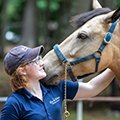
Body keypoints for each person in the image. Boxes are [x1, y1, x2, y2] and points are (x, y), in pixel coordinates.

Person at [0, 45, 115, 120]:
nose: (42, 63)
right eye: (35, 61)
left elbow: (92, 88)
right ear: (22, 71)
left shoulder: (55, 86)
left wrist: (115, 65)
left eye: (39, 58)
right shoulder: (14, 104)